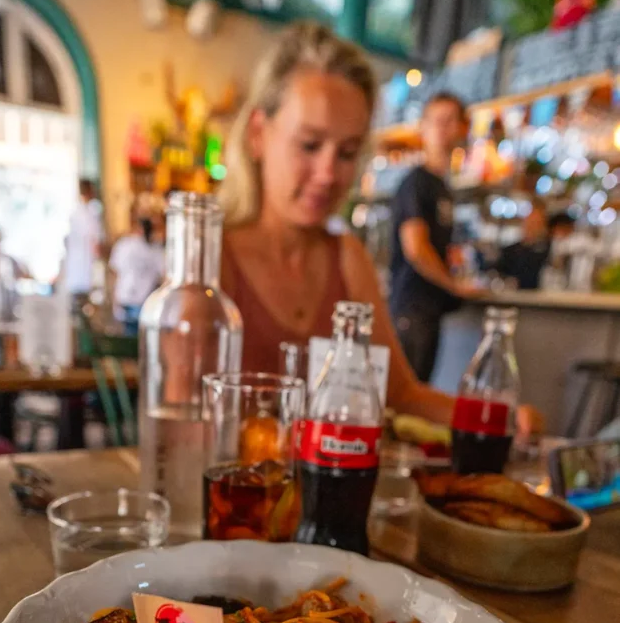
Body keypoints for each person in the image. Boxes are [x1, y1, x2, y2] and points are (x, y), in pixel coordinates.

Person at [219, 23, 539, 432]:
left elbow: (402, 395)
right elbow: (180, 426)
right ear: (258, 135)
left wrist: (500, 418)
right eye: (310, 145)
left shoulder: (347, 257)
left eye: (347, 152)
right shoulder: (213, 260)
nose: (328, 173)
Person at [388, 92, 475, 384]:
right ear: (422, 127)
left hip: (429, 310)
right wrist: (454, 286)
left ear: (462, 128)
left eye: (449, 120)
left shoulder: (442, 187)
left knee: (421, 387)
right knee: (408, 395)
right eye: (435, 121)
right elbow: (415, 249)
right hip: (411, 309)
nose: (441, 128)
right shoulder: (417, 182)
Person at [108, 216, 165, 336]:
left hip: (126, 299)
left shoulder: (124, 245)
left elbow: (115, 273)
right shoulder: (155, 249)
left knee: (129, 338)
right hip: (144, 302)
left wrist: (114, 300)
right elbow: (164, 276)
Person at [64, 179, 104, 309]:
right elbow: (95, 242)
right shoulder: (90, 213)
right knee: (87, 307)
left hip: (76, 270)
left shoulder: (75, 212)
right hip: (85, 269)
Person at [496, 200, 552, 290]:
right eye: (530, 222)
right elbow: (497, 274)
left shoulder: (550, 250)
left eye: (537, 223)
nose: (533, 227)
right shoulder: (510, 251)